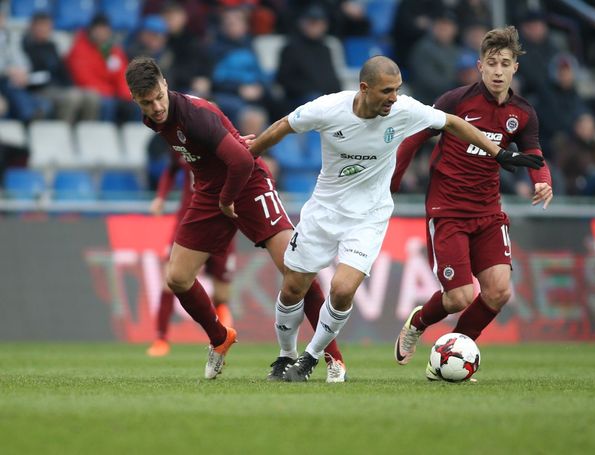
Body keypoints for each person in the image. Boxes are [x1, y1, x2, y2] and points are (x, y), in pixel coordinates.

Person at [247, 55, 544, 382]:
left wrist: (498, 153)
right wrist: (248, 157)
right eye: (387, 91)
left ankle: (310, 358)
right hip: (324, 210)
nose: (394, 97)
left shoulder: (404, 109)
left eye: (397, 90)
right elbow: (282, 127)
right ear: (364, 88)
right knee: (292, 288)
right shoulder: (329, 108)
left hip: (369, 216)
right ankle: (285, 355)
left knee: (342, 289)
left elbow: (454, 123)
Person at [125, 56, 346, 382]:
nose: (156, 106)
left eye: (159, 96)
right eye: (147, 102)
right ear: (135, 100)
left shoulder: (192, 115)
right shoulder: (153, 120)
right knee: (177, 278)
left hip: (247, 185)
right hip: (210, 190)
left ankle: (333, 357)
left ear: (165, 85)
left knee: (296, 271)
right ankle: (219, 337)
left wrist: (227, 199)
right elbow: (207, 149)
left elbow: (241, 162)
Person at [390, 26, 554, 379]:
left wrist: (543, 183)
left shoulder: (523, 113)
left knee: (497, 292)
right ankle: (419, 322)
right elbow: (413, 138)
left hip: (488, 212)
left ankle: (453, 351)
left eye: (505, 63)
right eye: (491, 63)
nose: (498, 71)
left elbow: (533, 153)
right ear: (480, 66)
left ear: (515, 69)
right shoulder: (455, 101)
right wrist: (391, 183)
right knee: (460, 297)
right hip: (447, 210)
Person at [146, 153, 237, 357]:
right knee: (170, 279)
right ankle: (161, 339)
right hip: (189, 221)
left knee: (222, 293)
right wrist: (161, 197)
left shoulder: (227, 146)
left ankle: (222, 339)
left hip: (222, 223)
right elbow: (170, 170)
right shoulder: (182, 143)